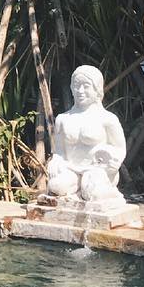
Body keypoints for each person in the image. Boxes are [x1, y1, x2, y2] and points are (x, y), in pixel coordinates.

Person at [46, 65, 126, 205]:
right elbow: (59, 151)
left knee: (90, 192)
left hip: (99, 170)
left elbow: (119, 149)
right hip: (71, 168)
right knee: (56, 187)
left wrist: (114, 162)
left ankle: (112, 194)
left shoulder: (107, 118)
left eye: (86, 86)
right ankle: (77, 190)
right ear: (71, 88)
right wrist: (56, 160)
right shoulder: (63, 119)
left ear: (97, 88)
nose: (80, 91)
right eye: (76, 86)